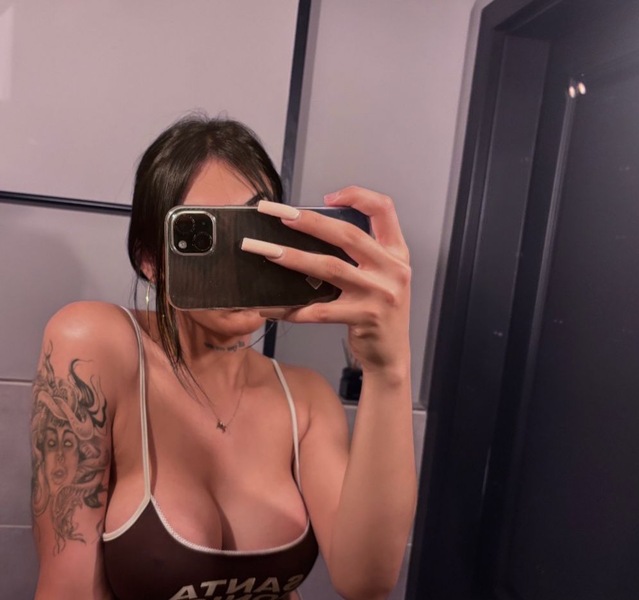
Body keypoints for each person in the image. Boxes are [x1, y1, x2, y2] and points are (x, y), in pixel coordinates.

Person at [31, 115, 417, 600]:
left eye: (255, 229)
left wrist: (389, 369)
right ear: (150, 259)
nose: (241, 257)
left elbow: (367, 580)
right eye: (204, 235)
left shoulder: (306, 399)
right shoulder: (96, 345)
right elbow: (66, 588)